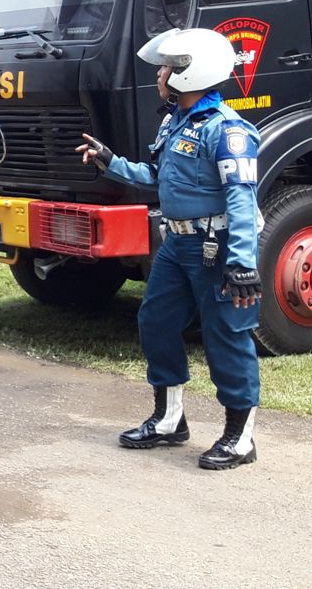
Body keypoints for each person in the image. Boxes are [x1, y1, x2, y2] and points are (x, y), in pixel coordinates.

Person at [76, 27, 261, 470]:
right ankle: (169, 420)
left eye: (167, 67)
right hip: (176, 244)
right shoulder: (174, 121)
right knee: (155, 322)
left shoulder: (228, 131)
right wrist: (111, 162)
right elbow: (159, 178)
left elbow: (241, 200)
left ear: (189, 73)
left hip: (215, 248)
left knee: (226, 337)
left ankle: (240, 437)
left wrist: (242, 263)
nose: (160, 74)